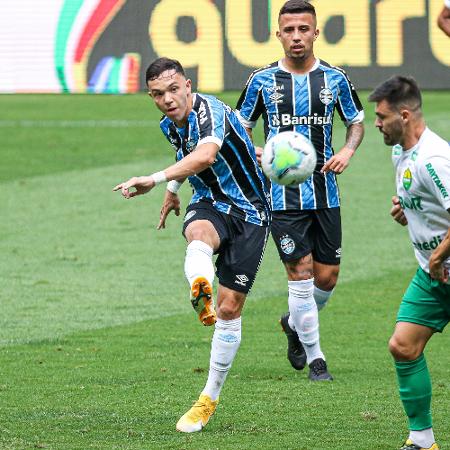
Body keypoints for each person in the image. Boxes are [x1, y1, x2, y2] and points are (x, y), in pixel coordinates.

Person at [113, 57, 271, 433]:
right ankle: (200, 286)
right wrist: (171, 191)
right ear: (151, 96)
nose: (167, 99)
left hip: (251, 211)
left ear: (187, 84)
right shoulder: (170, 124)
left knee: (230, 309)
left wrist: (155, 179)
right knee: (198, 233)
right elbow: (187, 157)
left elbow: (206, 154)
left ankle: (209, 398)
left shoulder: (209, 111)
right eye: (157, 94)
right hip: (210, 202)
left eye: (172, 89)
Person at [236, 0, 364, 380]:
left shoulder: (335, 80)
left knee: (327, 278)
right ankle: (317, 358)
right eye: (289, 30)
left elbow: (356, 121)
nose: (296, 37)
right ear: (278, 34)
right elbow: (239, 125)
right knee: (301, 273)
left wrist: (346, 150)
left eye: (303, 29)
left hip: (326, 193)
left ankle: (293, 324)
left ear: (315, 32)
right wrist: (257, 151)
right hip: (282, 198)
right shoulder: (261, 81)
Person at [368, 75, 449, 450]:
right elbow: (422, 200)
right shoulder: (401, 153)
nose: (377, 124)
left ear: (404, 114)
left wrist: (437, 257)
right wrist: (406, 210)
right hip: (433, 274)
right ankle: (422, 440)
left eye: (382, 117)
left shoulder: (435, 159)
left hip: (438, 266)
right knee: (403, 346)